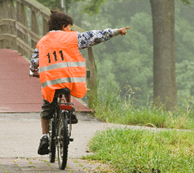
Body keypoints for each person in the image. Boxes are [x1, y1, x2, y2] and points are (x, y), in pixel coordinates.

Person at [29, 10, 131, 155]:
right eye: (70, 26)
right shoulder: (73, 37)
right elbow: (95, 36)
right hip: (71, 79)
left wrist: (34, 72)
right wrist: (115, 32)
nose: (71, 29)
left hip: (51, 81)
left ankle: (44, 136)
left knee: (47, 109)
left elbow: (34, 63)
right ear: (64, 26)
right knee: (69, 83)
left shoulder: (42, 41)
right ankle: (70, 108)